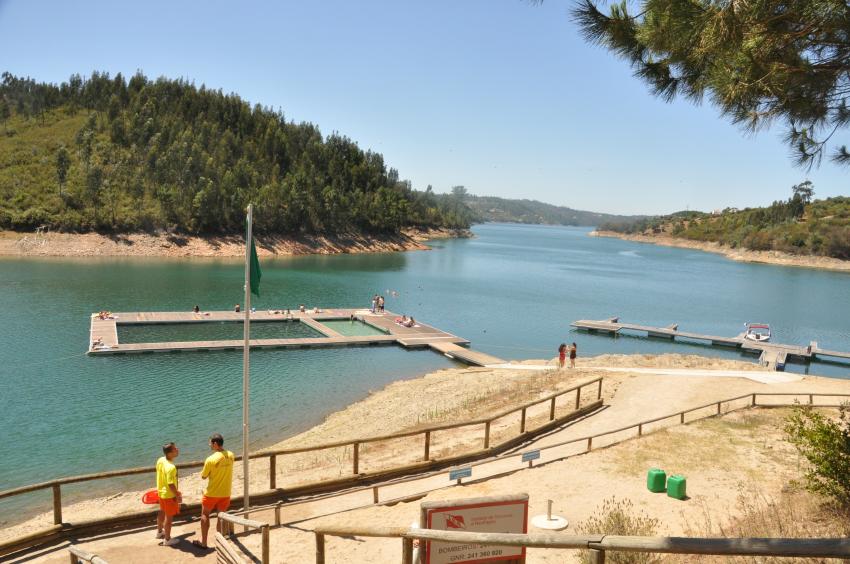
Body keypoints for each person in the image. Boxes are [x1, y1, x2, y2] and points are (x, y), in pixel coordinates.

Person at [194, 433, 235, 550]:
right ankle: (219, 541)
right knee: (221, 517)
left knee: (205, 514)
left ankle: (204, 543)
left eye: (210, 443)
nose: (209, 445)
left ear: (215, 444)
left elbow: (203, 476)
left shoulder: (210, 459)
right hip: (225, 492)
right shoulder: (231, 455)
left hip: (212, 493)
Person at [155, 442, 182, 546]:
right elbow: (170, 483)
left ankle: (159, 532)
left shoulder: (160, 460)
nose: (177, 449)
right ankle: (167, 539)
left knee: (161, 511)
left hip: (161, 492)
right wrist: (177, 494)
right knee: (169, 517)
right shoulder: (171, 467)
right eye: (175, 449)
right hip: (169, 495)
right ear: (170, 453)